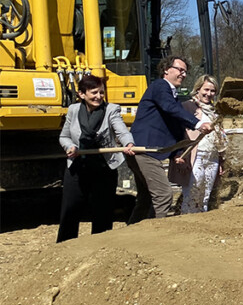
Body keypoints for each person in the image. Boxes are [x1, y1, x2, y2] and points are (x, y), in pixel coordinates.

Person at [127, 56, 211, 223]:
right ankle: (155, 236)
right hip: (145, 150)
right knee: (163, 195)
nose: (184, 74)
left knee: (146, 198)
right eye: (180, 69)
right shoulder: (160, 86)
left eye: (186, 71)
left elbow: (174, 127)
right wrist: (198, 123)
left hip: (147, 151)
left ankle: (132, 232)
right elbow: (170, 109)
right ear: (166, 69)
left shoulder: (172, 96)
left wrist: (178, 152)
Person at [57, 75, 136, 242]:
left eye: (101, 92)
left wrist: (128, 143)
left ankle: (100, 247)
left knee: (102, 211)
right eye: (94, 92)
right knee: (70, 210)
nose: (98, 96)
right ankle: (65, 247)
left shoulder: (111, 110)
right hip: (77, 166)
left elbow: (121, 131)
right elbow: (64, 136)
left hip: (103, 168)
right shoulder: (73, 110)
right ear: (81, 94)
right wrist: (70, 147)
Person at [178, 75, 229, 214]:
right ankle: (187, 220)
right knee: (193, 192)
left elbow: (220, 134)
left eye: (212, 91)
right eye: (206, 89)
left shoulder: (215, 110)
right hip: (197, 154)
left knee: (205, 194)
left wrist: (221, 159)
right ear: (198, 89)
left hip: (212, 156)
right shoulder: (188, 107)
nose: (209, 94)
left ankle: (202, 221)